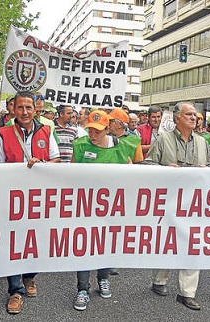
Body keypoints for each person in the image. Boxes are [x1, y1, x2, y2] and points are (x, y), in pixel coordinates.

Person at [0, 90, 60, 314]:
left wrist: (41, 163)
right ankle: (15, 290)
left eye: (28, 108)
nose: (24, 112)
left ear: (35, 109)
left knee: (35, 239)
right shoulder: (3, 133)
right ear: (13, 109)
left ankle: (30, 276)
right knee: (12, 242)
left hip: (38, 199)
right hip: (12, 198)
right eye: (20, 107)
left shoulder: (46, 130)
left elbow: (56, 158)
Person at [146, 102, 210, 311]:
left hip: (195, 202)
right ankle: (159, 280)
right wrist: (165, 169)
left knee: (193, 244)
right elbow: (148, 165)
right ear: (177, 118)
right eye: (189, 114)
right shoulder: (163, 139)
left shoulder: (203, 142)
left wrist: (207, 170)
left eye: (195, 115)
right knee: (166, 242)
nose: (194, 118)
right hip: (169, 201)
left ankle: (187, 293)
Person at [71, 110, 137, 311]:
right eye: (90, 129)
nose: (93, 134)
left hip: (112, 207)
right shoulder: (80, 145)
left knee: (107, 243)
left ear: (108, 129)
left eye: (98, 131)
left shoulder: (123, 147)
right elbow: (71, 173)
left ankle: (103, 278)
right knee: (84, 246)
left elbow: (132, 173)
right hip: (86, 206)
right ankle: (82, 289)